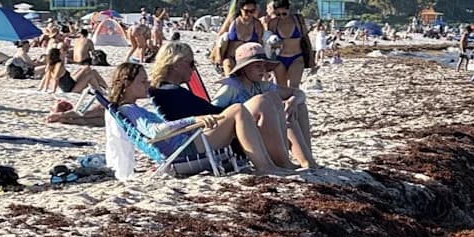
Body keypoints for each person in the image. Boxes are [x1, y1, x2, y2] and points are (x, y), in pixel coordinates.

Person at [107, 62, 294, 175]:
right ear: (127, 84)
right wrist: (194, 120)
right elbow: (156, 132)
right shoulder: (130, 110)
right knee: (237, 110)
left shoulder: (131, 109)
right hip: (182, 150)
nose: (147, 84)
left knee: (238, 111)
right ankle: (265, 166)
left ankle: (268, 164)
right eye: (142, 81)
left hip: (184, 144)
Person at [148, 41, 300, 169]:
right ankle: (273, 165)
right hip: (193, 141)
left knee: (269, 99)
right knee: (258, 103)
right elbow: (212, 112)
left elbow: (205, 112)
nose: (193, 69)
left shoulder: (167, 90)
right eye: (191, 64)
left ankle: (290, 162)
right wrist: (246, 109)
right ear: (177, 64)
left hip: (199, 135)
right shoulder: (169, 92)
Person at [211, 43, 317, 169]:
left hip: (260, 129)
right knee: (263, 101)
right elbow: (214, 112)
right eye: (257, 66)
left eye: (264, 66)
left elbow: (298, 93)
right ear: (244, 68)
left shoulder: (260, 85)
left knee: (297, 107)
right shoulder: (231, 87)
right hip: (241, 135)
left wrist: (293, 101)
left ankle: (307, 160)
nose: (262, 70)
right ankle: (283, 162)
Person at [263, 0, 314, 90]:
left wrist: (311, 58)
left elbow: (306, 39)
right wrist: (266, 26)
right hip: (279, 58)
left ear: (289, 9)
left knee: (294, 87)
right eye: (278, 14)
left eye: (284, 13)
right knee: (281, 87)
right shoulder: (273, 23)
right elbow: (267, 42)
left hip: (296, 57)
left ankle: (292, 104)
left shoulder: (298, 20)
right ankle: (284, 105)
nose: (281, 17)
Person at [213, 0, 262, 75]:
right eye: (246, 11)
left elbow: (260, 43)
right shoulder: (233, 20)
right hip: (231, 57)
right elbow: (220, 37)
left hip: (248, 60)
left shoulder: (257, 24)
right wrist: (218, 56)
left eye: (252, 11)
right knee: (230, 79)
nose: (249, 14)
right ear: (241, 9)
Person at [40, 47, 108, 95]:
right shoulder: (59, 64)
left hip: (70, 83)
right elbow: (56, 77)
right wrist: (53, 90)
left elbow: (46, 77)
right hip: (71, 89)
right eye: (61, 54)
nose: (62, 54)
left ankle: (105, 87)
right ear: (58, 55)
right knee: (91, 76)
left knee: (88, 68)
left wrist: (43, 88)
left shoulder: (50, 65)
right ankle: (100, 90)